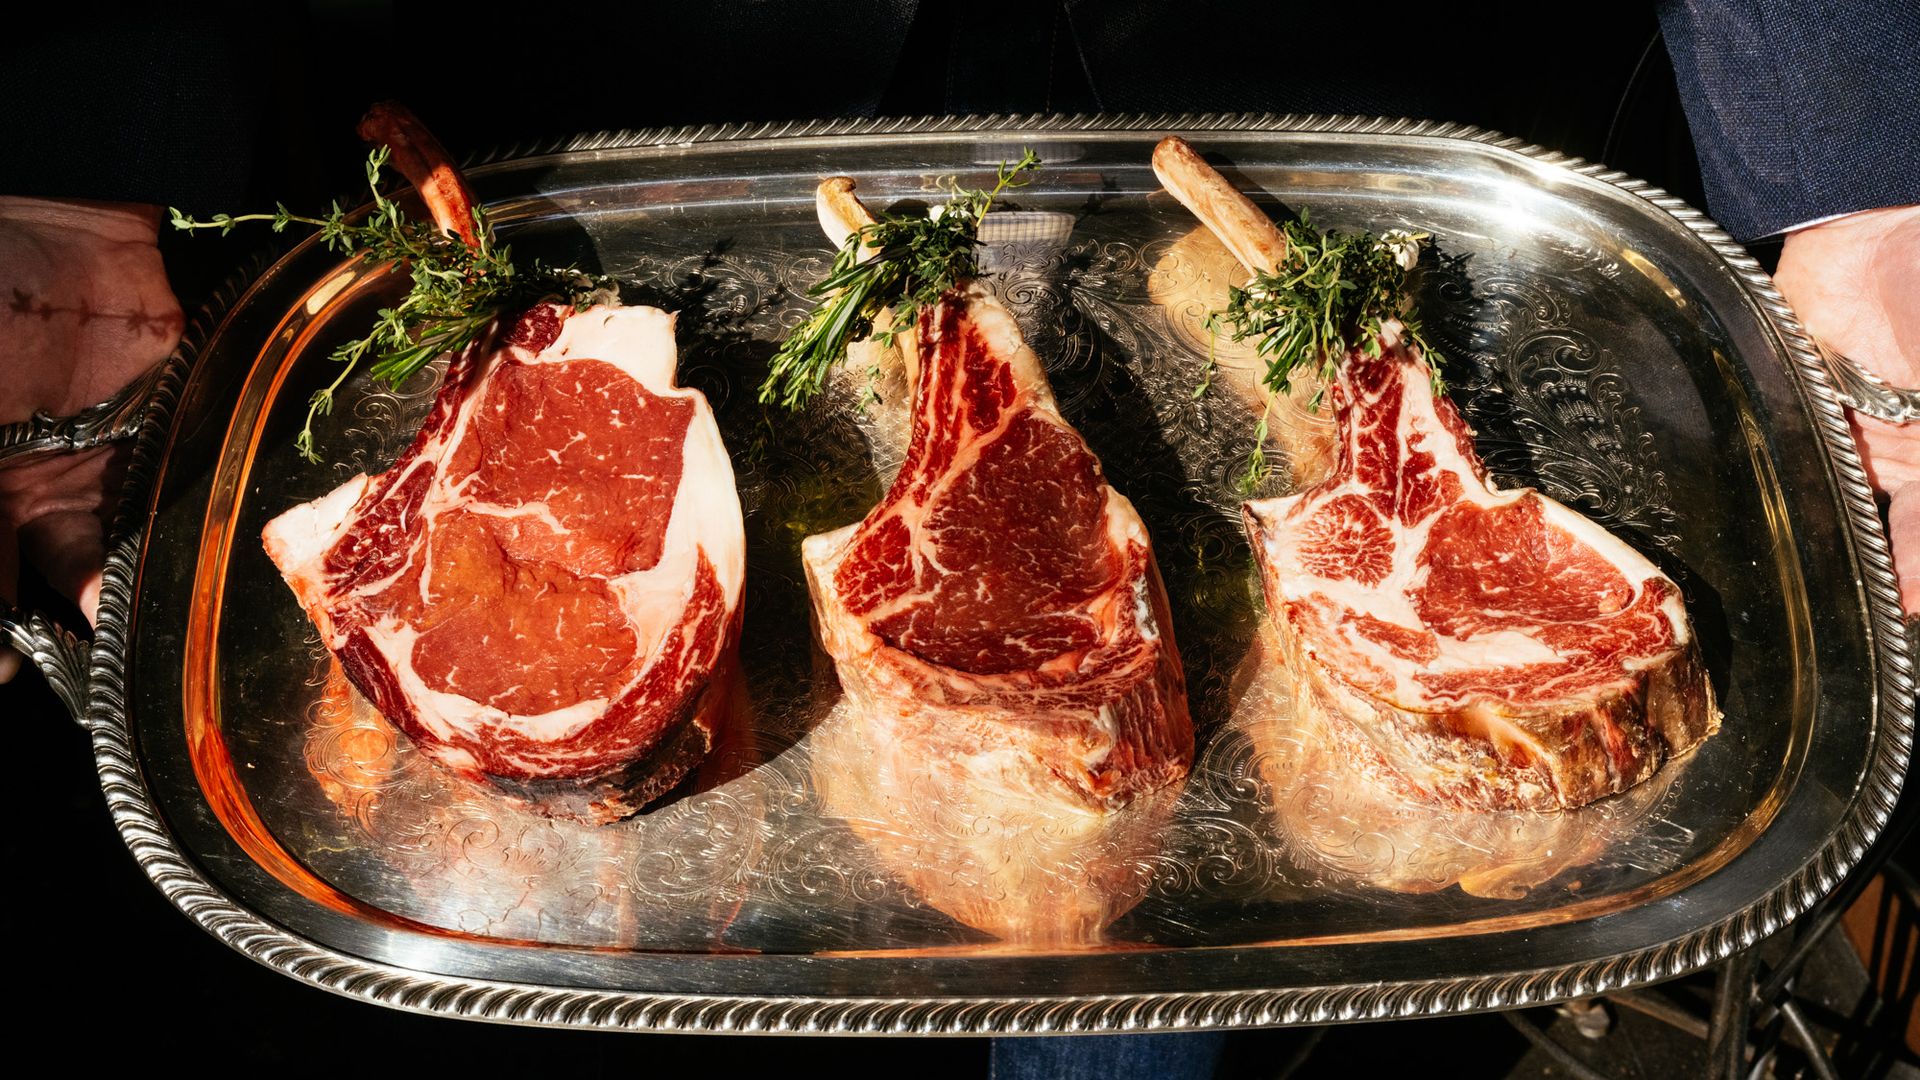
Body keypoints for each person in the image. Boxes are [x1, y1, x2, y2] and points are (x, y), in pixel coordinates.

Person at [2, 4, 1913, 1077]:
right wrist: (65, 175)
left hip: (1322, 33)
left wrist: (1868, 171)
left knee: (1130, 1021)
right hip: (641, 91)